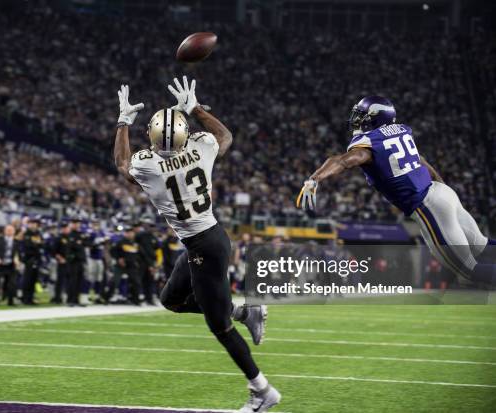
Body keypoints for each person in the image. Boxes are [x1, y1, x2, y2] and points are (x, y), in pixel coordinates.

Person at [113, 79, 280, 412]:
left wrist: (123, 122)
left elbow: (121, 163)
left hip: (204, 247)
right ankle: (245, 310)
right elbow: (226, 137)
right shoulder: (201, 147)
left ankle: (262, 391)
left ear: (152, 136)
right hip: (208, 240)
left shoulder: (148, 166)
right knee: (171, 300)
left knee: (220, 327)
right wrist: (195, 108)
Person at [297, 96, 496, 285]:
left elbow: (342, 160)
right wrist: (442, 187)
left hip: (427, 204)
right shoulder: (401, 131)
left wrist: (314, 179)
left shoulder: (368, 144)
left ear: (375, 118)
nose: (356, 120)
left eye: (361, 116)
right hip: (442, 192)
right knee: (482, 244)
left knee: (467, 271)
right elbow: (421, 160)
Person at [0, 225, 21, 306]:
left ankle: (10, 301)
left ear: (14, 232)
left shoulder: (16, 242)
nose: (9, 232)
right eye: (8, 230)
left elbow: (19, 253)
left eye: (11, 230)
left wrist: (18, 260)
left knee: (12, 283)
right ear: (4, 231)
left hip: (11, 265)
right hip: (0, 265)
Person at [135, 219, 158, 305]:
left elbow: (156, 250)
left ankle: (149, 299)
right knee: (139, 280)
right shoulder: (140, 235)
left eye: (153, 227)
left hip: (151, 262)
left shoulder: (154, 238)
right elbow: (138, 248)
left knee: (150, 281)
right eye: (150, 226)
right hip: (141, 262)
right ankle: (138, 298)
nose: (152, 228)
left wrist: (154, 263)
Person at [66, 218, 88, 306]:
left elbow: (87, 243)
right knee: (73, 281)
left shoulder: (80, 234)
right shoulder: (70, 235)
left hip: (80, 260)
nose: (76, 225)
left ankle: (76, 299)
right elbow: (73, 246)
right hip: (73, 261)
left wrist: (80, 243)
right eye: (75, 223)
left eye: (78, 223)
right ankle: (70, 300)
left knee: (79, 281)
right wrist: (79, 243)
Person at [21, 218, 43, 305]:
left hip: (37, 259)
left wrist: (37, 245)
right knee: (28, 279)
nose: (33, 225)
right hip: (29, 259)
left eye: (35, 223)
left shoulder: (38, 234)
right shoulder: (26, 234)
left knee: (34, 279)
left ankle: (31, 297)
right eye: (31, 223)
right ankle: (25, 298)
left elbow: (42, 244)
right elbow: (28, 245)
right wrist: (37, 245)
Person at [52, 222, 70, 304]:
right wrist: (60, 258)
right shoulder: (58, 238)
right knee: (60, 280)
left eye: (66, 227)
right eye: (64, 228)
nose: (65, 229)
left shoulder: (70, 237)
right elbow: (54, 251)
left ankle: (67, 296)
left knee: (69, 280)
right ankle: (57, 297)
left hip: (69, 262)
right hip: (61, 262)